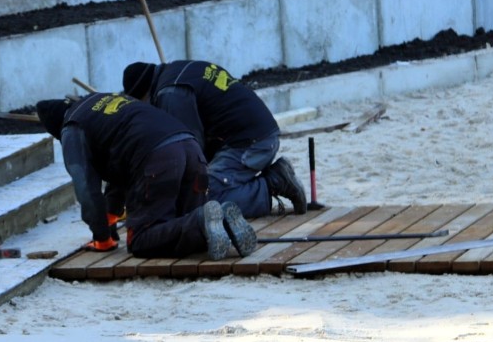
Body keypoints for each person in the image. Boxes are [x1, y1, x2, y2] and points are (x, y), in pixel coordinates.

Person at [35, 92, 257, 260]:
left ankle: (200, 221)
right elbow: (117, 169)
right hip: (192, 150)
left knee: (141, 240)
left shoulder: (72, 128)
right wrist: (110, 216)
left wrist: (102, 238)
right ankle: (224, 221)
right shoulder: (102, 103)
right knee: (182, 226)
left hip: (158, 159)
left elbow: (85, 188)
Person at [123, 60, 306, 218]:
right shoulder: (178, 70)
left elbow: (190, 148)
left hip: (251, 144)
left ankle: (273, 183)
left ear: (143, 96)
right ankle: (259, 182)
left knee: (203, 200)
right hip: (253, 135)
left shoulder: (171, 93)